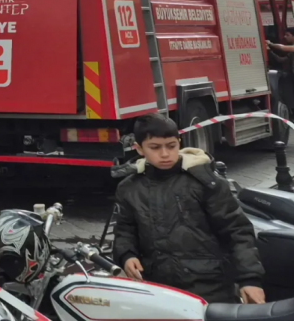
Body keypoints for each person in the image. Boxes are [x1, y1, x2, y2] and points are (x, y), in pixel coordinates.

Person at [113, 114, 265, 304]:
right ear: (139, 148)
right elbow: (125, 229)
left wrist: (250, 279)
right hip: (158, 287)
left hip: (211, 287)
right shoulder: (129, 187)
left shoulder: (206, 182)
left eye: (171, 146)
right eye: (155, 148)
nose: (165, 153)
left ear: (179, 143)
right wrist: (127, 255)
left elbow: (237, 231)